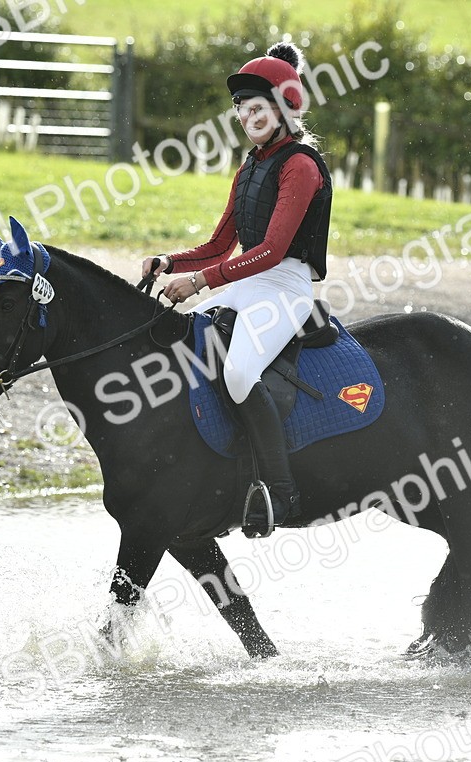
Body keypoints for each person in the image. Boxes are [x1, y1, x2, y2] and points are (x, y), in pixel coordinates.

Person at [142, 41, 333, 537]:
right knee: (185, 344)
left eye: (258, 107)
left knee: (241, 370)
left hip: (285, 286)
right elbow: (218, 246)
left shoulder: (301, 165)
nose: (248, 117)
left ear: (285, 107)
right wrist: (169, 261)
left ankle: (281, 488)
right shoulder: (251, 165)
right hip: (247, 281)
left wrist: (200, 282)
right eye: (242, 109)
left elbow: (271, 251)